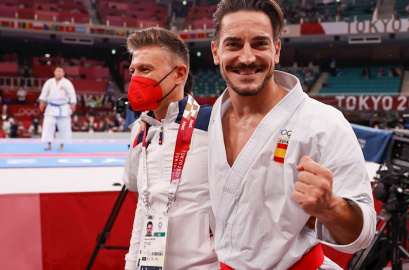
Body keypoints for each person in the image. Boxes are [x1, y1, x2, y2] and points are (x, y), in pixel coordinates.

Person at [208, 1, 376, 269]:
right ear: (216, 52)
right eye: (234, 44)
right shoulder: (213, 117)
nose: (247, 57)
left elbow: (362, 235)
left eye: (260, 44)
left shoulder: (323, 122)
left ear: (276, 50)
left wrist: (331, 207)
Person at [122, 27, 218, 270]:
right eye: (133, 71)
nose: (135, 79)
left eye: (145, 70)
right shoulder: (140, 129)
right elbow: (142, 205)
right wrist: (131, 264)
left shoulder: (215, 124)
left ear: (179, 74)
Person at [38, 66, 76, 150]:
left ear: (63, 73)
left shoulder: (67, 83)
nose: (58, 73)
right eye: (57, 71)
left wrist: (73, 103)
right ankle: (49, 144)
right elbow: (44, 93)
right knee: (48, 126)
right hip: (51, 106)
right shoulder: (49, 82)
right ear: (54, 72)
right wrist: (41, 102)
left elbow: (72, 94)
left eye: (60, 71)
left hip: (63, 107)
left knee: (64, 127)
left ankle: (61, 145)